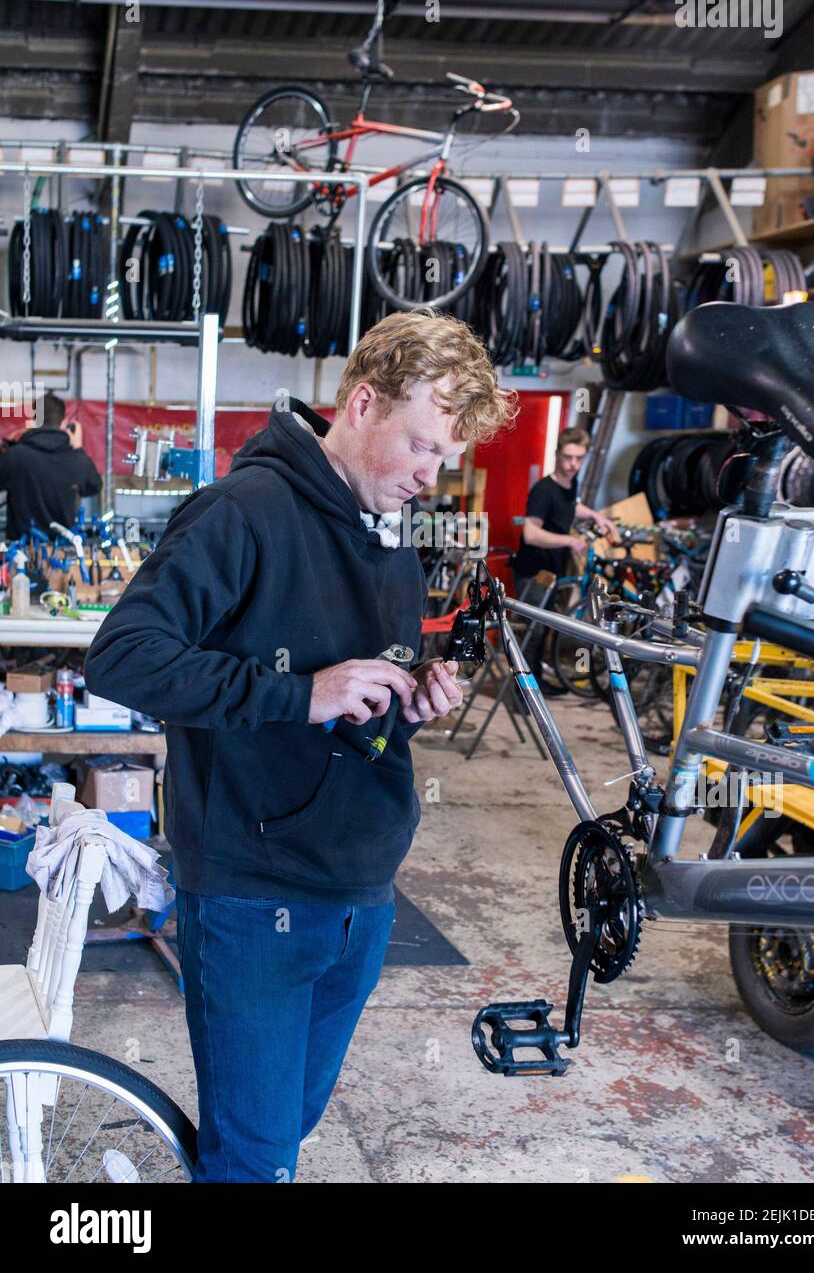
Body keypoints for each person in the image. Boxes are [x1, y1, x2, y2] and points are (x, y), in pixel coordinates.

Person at [84, 310, 517, 1183]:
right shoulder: (240, 514)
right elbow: (122, 658)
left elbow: (360, 690)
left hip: (361, 890)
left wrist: (412, 696)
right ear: (362, 403)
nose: (430, 476)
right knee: (255, 1160)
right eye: (423, 447)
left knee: (285, 1130)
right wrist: (301, 694)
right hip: (255, 895)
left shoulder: (385, 538)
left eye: (444, 460)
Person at [511, 427, 616, 696]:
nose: (573, 465)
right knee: (532, 634)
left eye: (579, 458)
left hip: (554, 570)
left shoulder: (571, 485)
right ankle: (523, 694)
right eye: (568, 457)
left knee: (544, 629)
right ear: (557, 454)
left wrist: (595, 516)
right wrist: (569, 541)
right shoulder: (543, 490)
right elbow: (531, 534)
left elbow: (570, 507)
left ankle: (537, 683)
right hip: (534, 571)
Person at [0, 393, 100, 539]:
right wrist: (78, 449)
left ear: (34, 420)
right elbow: (94, 486)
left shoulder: (15, 456)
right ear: (64, 423)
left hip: (20, 553)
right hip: (63, 551)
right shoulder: (75, 459)